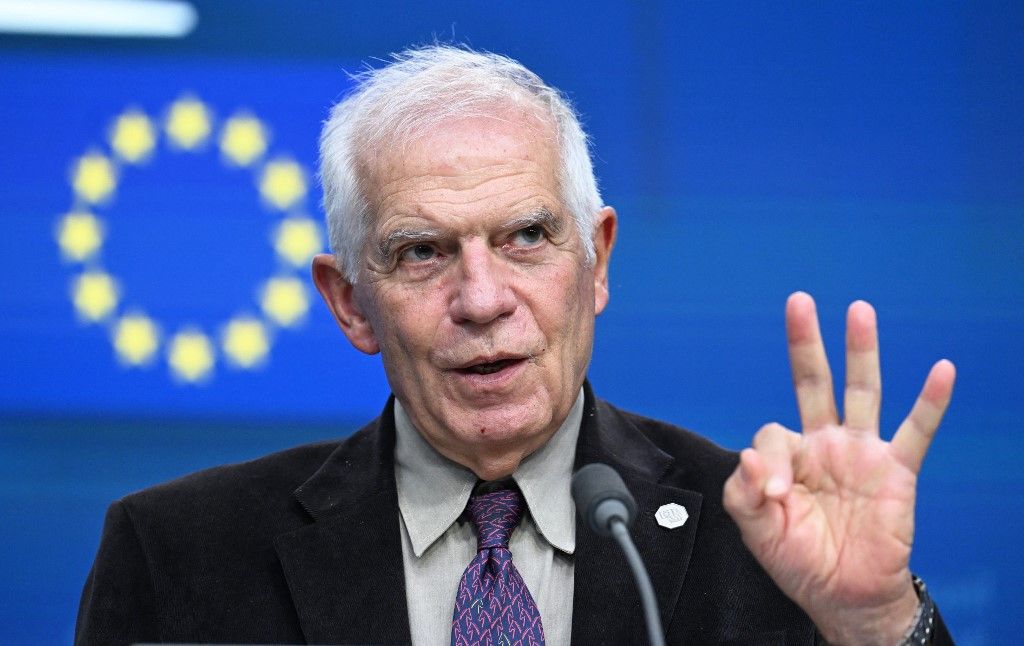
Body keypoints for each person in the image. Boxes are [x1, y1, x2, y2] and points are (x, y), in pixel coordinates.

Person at [76, 45, 957, 645]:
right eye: (421, 252)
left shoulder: (766, 542)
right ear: (350, 305)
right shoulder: (177, 555)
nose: (483, 299)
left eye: (526, 237)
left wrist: (877, 625)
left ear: (597, 262)